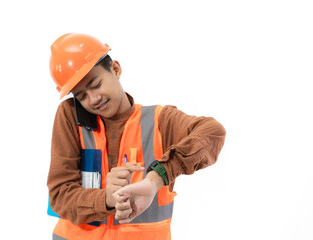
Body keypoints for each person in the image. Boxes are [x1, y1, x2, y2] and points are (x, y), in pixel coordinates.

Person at [47, 33, 226, 240]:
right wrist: (106, 198)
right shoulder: (71, 115)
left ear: (115, 69)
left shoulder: (159, 120)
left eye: (96, 85)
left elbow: (213, 132)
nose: (93, 99)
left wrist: (157, 177)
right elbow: (59, 195)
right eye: (82, 96)